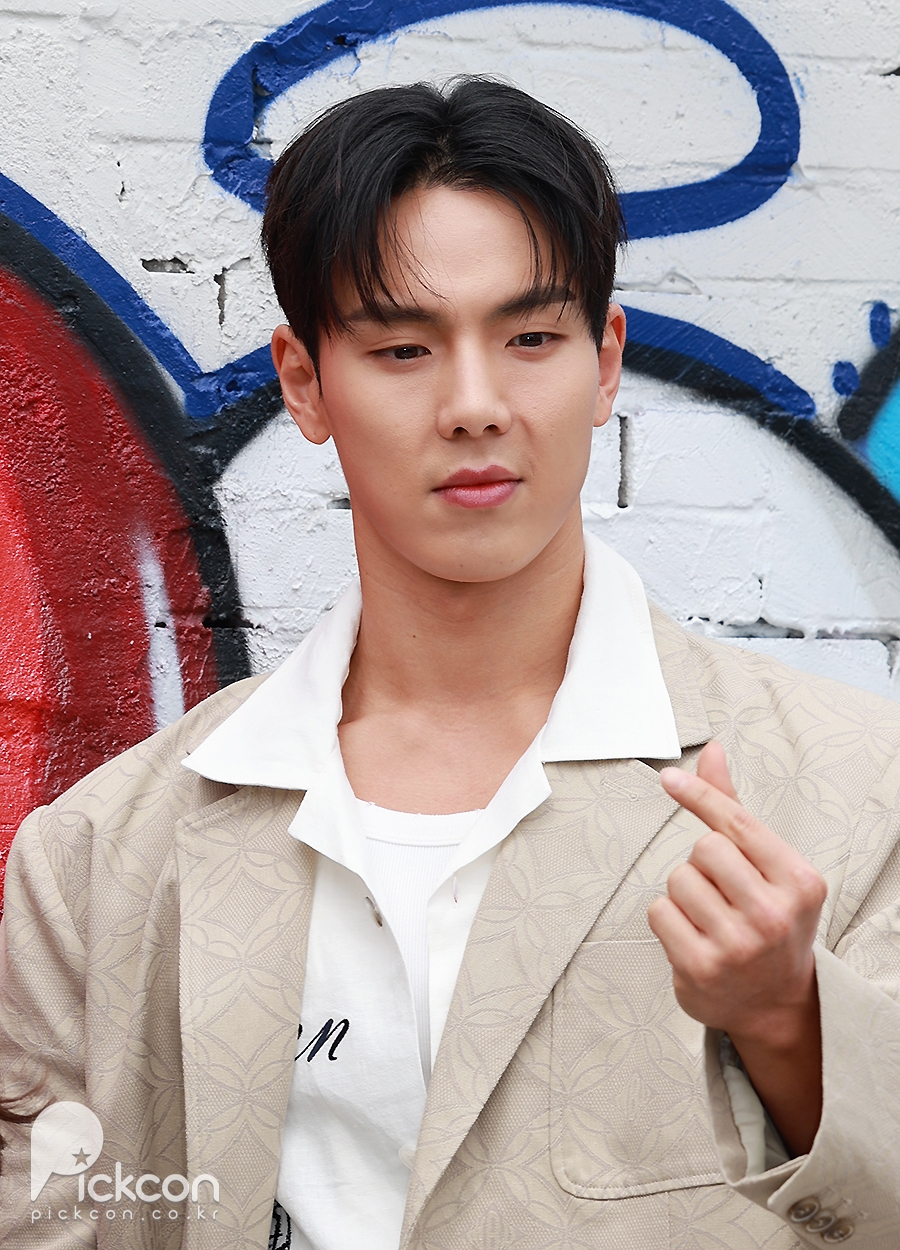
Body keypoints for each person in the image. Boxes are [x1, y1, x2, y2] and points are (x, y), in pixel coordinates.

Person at [1, 77, 899, 1249]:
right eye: (402, 347)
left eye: (530, 338)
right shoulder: (99, 861)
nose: (475, 404)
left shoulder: (855, 795)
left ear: (605, 362)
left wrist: (788, 1020)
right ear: (305, 382)